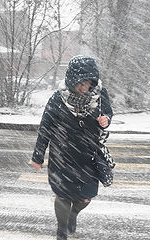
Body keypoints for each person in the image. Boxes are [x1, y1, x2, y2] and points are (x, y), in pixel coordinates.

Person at [31, 56, 113, 240]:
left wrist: (106, 119)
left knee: (84, 198)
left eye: (88, 84)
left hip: (88, 155)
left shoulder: (100, 96)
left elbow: (108, 111)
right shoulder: (58, 99)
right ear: (71, 81)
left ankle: (73, 214)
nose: (84, 88)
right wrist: (38, 156)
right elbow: (45, 128)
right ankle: (61, 230)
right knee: (62, 195)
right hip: (63, 155)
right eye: (80, 84)